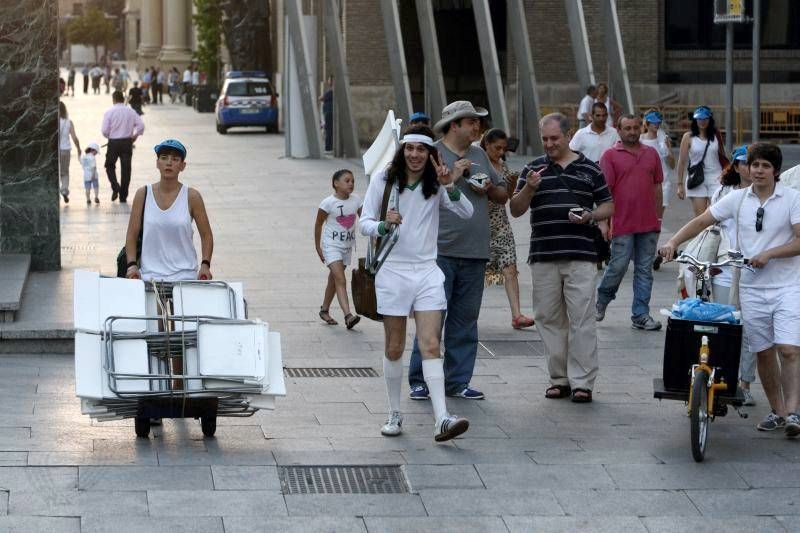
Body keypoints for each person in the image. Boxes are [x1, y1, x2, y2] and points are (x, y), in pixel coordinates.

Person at [659, 142, 800, 437]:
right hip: (751, 286)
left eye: (765, 166)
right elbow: (701, 220)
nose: (758, 170)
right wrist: (674, 242)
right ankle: (778, 412)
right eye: (754, 164)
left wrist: (769, 254)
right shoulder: (738, 199)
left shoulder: (792, 199)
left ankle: (794, 413)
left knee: (788, 349)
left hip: (787, 286)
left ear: (776, 171)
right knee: (763, 351)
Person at [360, 125, 474, 441]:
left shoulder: (436, 184)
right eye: (409, 148)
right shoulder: (383, 181)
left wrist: (450, 184)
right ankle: (394, 414)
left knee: (431, 344)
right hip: (392, 272)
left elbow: (465, 212)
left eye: (421, 150)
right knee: (395, 346)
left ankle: (442, 419)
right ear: (402, 150)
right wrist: (384, 225)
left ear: (430, 154)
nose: (414, 155)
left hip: (426, 272)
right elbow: (364, 223)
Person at [510, 113, 614, 403]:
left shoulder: (590, 170)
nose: (549, 144)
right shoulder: (532, 169)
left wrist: (591, 216)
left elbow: (608, 205)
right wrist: (529, 187)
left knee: (582, 319)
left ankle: (582, 382)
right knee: (548, 318)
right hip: (543, 254)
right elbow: (516, 209)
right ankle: (559, 379)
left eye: (555, 138)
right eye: (545, 139)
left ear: (569, 136)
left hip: (581, 254)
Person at [407, 101, 507, 401]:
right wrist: (451, 176)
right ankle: (420, 380)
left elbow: (502, 196)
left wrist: (488, 187)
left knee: (465, 321)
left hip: (475, 252)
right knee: (431, 319)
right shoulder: (430, 152)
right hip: (437, 252)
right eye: (471, 122)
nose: (477, 127)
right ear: (454, 126)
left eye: (477, 122)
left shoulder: (479, 154)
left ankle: (457, 381)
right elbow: (414, 193)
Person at [595, 114, 664, 331]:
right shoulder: (609, 156)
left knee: (645, 270)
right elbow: (604, 193)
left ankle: (641, 315)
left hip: (648, 224)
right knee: (618, 266)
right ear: (619, 130)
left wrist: (659, 217)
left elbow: (657, 187)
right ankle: (601, 300)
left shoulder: (651, 153)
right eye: (627, 128)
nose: (632, 132)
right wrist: (603, 223)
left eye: (635, 128)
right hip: (622, 223)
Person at [703, 144, 756, 406]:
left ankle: (745, 382)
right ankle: (721, 378)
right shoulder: (723, 192)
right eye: (744, 162)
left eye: (753, 162)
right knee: (724, 326)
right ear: (735, 166)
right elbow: (709, 223)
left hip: (753, 270)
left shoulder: (767, 195)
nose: (749, 167)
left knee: (750, 330)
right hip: (724, 268)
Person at [125, 139, 213, 283]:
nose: (169, 162)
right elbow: (131, 234)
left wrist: (205, 265)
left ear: (182, 166)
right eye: (164, 158)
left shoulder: (192, 196)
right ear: (157, 163)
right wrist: (132, 265)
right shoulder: (143, 194)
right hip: (150, 277)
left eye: (175, 159)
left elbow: (206, 235)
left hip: (185, 277)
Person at [480, 128, 535, 329]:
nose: (501, 152)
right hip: (479, 225)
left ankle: (517, 315)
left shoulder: (503, 166)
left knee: (510, 267)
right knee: (476, 274)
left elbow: (508, 198)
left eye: (504, 149)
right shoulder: (477, 163)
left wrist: (512, 185)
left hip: (500, 224)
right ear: (486, 144)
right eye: (497, 148)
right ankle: (466, 314)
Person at [314, 169, 362, 329]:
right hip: (331, 246)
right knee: (340, 279)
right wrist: (318, 247)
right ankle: (348, 315)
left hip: (346, 247)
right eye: (347, 181)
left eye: (353, 181)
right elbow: (318, 224)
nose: (351, 184)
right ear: (336, 183)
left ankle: (324, 310)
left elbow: (366, 219)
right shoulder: (327, 203)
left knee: (334, 280)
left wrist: (375, 237)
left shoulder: (356, 200)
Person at [675, 105, 729, 217]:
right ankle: (702, 235)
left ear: (710, 120)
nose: (702, 121)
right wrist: (679, 184)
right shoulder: (688, 137)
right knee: (700, 217)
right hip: (696, 178)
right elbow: (681, 161)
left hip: (716, 177)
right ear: (695, 120)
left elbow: (722, 156)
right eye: (699, 119)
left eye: (705, 119)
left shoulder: (716, 135)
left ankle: (715, 235)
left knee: (717, 215)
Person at [640, 110, 676, 271]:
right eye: (653, 121)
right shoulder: (640, 139)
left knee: (657, 220)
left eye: (658, 121)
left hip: (663, 183)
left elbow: (672, 164)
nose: (656, 124)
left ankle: (651, 252)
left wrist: (666, 150)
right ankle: (644, 250)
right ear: (646, 123)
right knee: (643, 218)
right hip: (643, 184)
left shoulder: (664, 139)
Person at [102, 90, 145, 203]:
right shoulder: (130, 111)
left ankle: (115, 186)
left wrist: (110, 136)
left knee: (109, 165)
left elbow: (104, 131)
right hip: (127, 142)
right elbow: (140, 125)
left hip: (114, 143)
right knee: (126, 169)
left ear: (113, 99)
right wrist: (135, 135)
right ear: (123, 98)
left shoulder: (109, 112)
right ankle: (123, 196)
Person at [58, 101, 82, 204]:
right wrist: (79, 148)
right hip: (65, 150)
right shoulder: (68, 122)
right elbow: (74, 138)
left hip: (54, 152)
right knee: (65, 172)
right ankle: (64, 190)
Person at [320, 77, 333, 152]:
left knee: (328, 130)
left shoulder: (331, 91)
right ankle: (329, 146)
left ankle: (328, 147)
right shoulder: (330, 91)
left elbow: (322, 98)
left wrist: (322, 98)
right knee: (328, 130)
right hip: (328, 112)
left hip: (329, 113)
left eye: (329, 79)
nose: (328, 81)